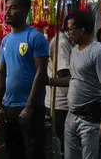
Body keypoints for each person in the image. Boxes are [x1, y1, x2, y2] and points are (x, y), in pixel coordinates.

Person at [47, 10, 101, 159]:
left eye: (71, 29)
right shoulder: (75, 50)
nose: (68, 33)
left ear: (82, 30)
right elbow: (74, 79)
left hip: (90, 119)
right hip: (72, 115)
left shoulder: (97, 52)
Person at [0, 0, 49, 159]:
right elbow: (1, 73)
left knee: (34, 153)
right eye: (7, 8)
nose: (8, 12)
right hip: (9, 107)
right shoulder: (5, 41)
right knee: (13, 152)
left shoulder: (36, 38)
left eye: (14, 8)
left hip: (31, 108)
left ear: (25, 12)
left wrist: (29, 107)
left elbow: (41, 73)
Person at [44, 28, 72, 158]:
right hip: (62, 104)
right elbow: (63, 75)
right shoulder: (61, 43)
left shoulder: (63, 41)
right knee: (66, 146)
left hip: (62, 103)